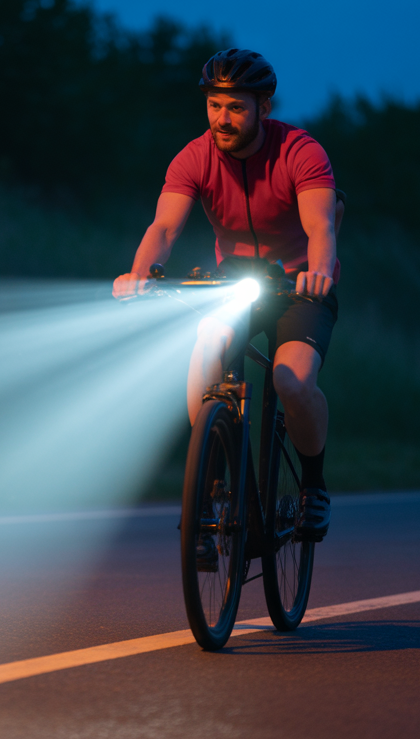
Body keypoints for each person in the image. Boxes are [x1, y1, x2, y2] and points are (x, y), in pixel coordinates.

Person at [112, 48, 342, 541]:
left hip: (299, 282)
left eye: (236, 107)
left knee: (292, 381)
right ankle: (211, 485)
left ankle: (314, 487)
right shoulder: (194, 156)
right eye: (215, 105)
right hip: (234, 279)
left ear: (264, 107)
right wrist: (138, 273)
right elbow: (165, 228)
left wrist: (320, 271)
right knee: (207, 348)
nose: (222, 118)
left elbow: (321, 225)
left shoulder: (300, 151)